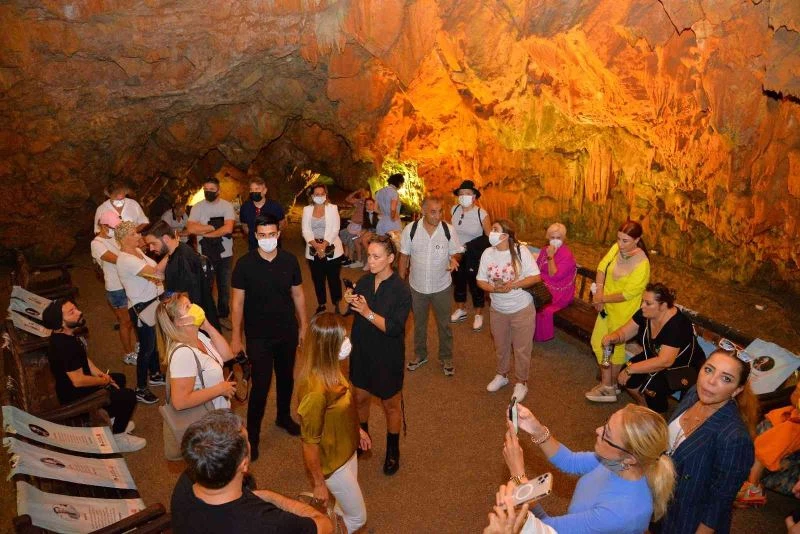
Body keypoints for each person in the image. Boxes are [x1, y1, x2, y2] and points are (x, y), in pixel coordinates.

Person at [503, 402, 676, 533]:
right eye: (606, 423)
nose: (597, 430)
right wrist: (536, 428)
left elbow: (546, 529)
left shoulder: (621, 512)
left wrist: (518, 476)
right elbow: (571, 461)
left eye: (607, 434)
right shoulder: (616, 462)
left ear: (629, 458)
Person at [171, 410, 332, 534]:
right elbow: (324, 526)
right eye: (248, 440)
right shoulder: (267, 523)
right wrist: (271, 496)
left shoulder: (184, 485)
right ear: (244, 464)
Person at [231, 214, 308, 459]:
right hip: (258, 337)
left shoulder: (289, 260)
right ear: (255, 236)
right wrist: (235, 336)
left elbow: (298, 295)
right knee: (261, 386)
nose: (267, 239)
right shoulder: (244, 265)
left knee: (286, 378)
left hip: (286, 331)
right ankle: (252, 435)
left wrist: (304, 325)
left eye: (271, 235)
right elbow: (237, 303)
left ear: (278, 234)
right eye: (262, 235)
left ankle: (283, 416)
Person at [657, 349, 758, 533]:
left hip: (688, 520)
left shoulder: (734, 438)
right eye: (709, 370)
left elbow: (720, 500)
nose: (710, 381)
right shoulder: (693, 394)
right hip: (663, 501)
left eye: (726, 378)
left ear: (737, 390)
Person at [297, 313, 372, 533]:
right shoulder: (314, 392)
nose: (347, 342)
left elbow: (343, 405)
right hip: (332, 464)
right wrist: (319, 483)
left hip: (347, 450)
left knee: (343, 507)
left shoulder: (332, 368)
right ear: (329, 347)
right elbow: (309, 444)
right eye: (342, 339)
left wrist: (357, 430)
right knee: (358, 517)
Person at [345, 235, 412, 475]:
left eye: (376, 257)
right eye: (369, 255)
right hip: (362, 351)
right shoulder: (363, 281)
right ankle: (363, 437)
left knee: (391, 406)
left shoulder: (402, 291)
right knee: (360, 398)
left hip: (387, 355)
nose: (370, 261)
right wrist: (348, 301)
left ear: (390, 259)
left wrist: (367, 312)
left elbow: (395, 328)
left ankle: (393, 450)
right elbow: (349, 312)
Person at [42, 298, 145, 452]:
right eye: (72, 312)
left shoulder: (67, 334)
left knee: (119, 379)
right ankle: (118, 437)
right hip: (74, 396)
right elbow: (78, 380)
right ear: (60, 323)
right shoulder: (64, 347)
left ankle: (112, 420)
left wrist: (102, 375)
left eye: (75, 308)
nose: (79, 312)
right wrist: (102, 382)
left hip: (73, 386)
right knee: (129, 396)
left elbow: (84, 359)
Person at [156, 292, 236, 460]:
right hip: (208, 426)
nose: (194, 307)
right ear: (178, 322)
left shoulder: (198, 335)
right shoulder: (182, 354)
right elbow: (180, 401)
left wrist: (207, 327)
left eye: (191, 303)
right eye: (187, 307)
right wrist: (220, 388)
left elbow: (228, 356)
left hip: (219, 415)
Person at [605, 283, 703, 413]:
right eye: (643, 301)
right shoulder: (645, 314)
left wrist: (631, 369)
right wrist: (613, 337)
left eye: (648, 303)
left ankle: (656, 415)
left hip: (681, 366)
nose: (642, 306)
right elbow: (624, 333)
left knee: (652, 388)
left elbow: (665, 361)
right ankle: (644, 408)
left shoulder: (677, 325)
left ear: (663, 306)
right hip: (654, 356)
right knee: (627, 379)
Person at [586, 220, 650, 403]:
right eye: (619, 239)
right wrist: (599, 291)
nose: (620, 244)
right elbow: (602, 267)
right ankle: (610, 385)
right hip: (607, 307)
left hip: (624, 312)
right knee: (598, 343)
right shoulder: (616, 248)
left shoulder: (642, 264)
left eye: (626, 241)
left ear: (637, 240)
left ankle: (609, 387)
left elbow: (628, 293)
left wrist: (602, 298)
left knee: (613, 347)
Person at [477, 220, 540, 402]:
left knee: (521, 348)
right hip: (497, 309)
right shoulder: (488, 253)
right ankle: (502, 375)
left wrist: (514, 285)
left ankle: (521, 382)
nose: (491, 232)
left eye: (495, 230)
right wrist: (494, 289)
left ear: (505, 235)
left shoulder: (521, 252)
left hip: (521, 308)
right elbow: (480, 280)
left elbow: (535, 276)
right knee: (501, 345)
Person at [400, 196, 463, 376]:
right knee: (419, 323)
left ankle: (446, 356)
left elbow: (457, 252)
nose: (438, 215)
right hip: (417, 286)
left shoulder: (448, 230)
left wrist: (454, 259)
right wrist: (399, 282)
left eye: (440, 211)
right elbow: (404, 257)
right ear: (423, 211)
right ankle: (420, 354)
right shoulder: (410, 230)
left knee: (444, 324)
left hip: (441, 286)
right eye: (433, 212)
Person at [114, 220, 165, 405]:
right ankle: (141, 388)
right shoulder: (126, 260)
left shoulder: (135, 252)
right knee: (146, 348)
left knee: (154, 344)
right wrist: (173, 250)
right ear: (124, 239)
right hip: (142, 307)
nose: (138, 236)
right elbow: (156, 274)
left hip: (152, 302)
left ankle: (156, 374)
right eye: (134, 234)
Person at [145, 220, 220, 330]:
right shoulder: (176, 252)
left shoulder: (183, 258)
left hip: (193, 323)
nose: (151, 248)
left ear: (165, 239)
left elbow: (188, 296)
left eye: (153, 243)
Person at [737, 382, 800, 507]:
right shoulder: (780, 418)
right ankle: (748, 488)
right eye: (797, 390)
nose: (797, 393)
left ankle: (749, 488)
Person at [186, 177, 235, 329]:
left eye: (212, 190)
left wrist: (204, 231)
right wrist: (212, 227)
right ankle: (208, 316)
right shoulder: (197, 207)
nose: (208, 192)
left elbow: (228, 228)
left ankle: (223, 315)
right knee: (206, 286)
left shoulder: (226, 206)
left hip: (224, 254)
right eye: (206, 189)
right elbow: (191, 229)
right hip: (204, 254)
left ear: (218, 190)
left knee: (224, 287)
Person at [91, 210, 137, 365]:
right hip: (116, 288)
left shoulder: (115, 237)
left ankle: (137, 345)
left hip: (128, 284)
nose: (116, 230)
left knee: (134, 318)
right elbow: (119, 259)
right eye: (113, 227)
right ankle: (128, 353)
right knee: (125, 322)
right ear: (103, 226)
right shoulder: (97, 244)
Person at [449, 180, 492, 332]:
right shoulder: (454, 210)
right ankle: (461, 309)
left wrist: (468, 246)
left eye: (467, 194)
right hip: (456, 253)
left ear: (474, 197)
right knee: (458, 281)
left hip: (473, 254)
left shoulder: (481, 214)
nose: (463, 197)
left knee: (475, 284)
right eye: (461, 194)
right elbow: (451, 230)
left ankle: (479, 313)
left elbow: (488, 237)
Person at [301, 183, 345, 314]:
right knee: (317, 278)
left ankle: (337, 303)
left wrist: (324, 245)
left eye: (322, 194)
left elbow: (335, 229)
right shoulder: (307, 210)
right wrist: (316, 245)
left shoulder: (333, 208)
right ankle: (321, 304)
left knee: (333, 278)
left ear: (326, 195)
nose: (319, 196)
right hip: (313, 247)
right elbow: (305, 230)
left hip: (331, 247)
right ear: (312, 196)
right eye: (317, 194)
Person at [534, 223, 577, 342]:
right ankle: (526, 329)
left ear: (564, 239)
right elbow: (537, 267)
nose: (555, 241)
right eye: (552, 237)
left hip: (560, 290)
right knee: (526, 295)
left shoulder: (567, 255)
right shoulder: (544, 250)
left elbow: (554, 276)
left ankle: (538, 334)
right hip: (544, 284)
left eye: (558, 238)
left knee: (539, 302)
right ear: (548, 238)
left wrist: (551, 256)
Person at [239, 177, 286, 251]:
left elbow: (282, 224)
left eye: (257, 189)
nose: (253, 192)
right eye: (251, 189)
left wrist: (271, 236)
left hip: (273, 246)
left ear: (265, 191)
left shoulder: (275, 206)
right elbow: (245, 226)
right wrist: (256, 236)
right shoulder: (245, 207)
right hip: (253, 246)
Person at [339, 188, 369, 267]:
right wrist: (356, 191)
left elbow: (367, 220)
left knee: (350, 238)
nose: (362, 196)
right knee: (343, 233)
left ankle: (350, 259)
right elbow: (347, 199)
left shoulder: (367, 205)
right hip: (352, 225)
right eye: (361, 194)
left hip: (358, 227)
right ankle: (346, 256)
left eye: (364, 194)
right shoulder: (358, 202)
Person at [353, 197, 379, 271]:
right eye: (367, 205)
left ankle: (370, 261)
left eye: (371, 204)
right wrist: (360, 233)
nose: (369, 206)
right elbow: (366, 227)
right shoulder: (366, 214)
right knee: (356, 240)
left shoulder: (378, 213)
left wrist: (368, 232)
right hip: (370, 231)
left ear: (374, 205)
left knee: (364, 240)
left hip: (378, 232)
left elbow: (378, 227)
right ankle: (359, 261)